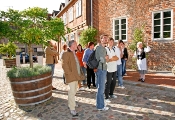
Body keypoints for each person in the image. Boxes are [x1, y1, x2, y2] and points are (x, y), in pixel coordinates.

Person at [62, 40, 85, 117]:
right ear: (72, 45)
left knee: (74, 90)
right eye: (75, 44)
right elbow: (64, 65)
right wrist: (69, 74)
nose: (77, 45)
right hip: (71, 76)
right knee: (72, 91)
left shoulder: (74, 53)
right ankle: (72, 108)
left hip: (76, 75)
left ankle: (72, 103)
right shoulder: (66, 53)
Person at [95, 34, 109, 111]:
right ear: (101, 40)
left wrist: (106, 58)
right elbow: (102, 60)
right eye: (104, 38)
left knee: (101, 88)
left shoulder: (104, 48)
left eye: (106, 38)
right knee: (101, 88)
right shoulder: (100, 48)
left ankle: (99, 104)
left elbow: (107, 60)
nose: (106, 39)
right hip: (101, 70)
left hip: (103, 69)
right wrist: (106, 58)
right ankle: (100, 106)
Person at [104, 37, 118, 103]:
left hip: (114, 68)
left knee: (114, 82)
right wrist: (111, 59)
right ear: (108, 42)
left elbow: (117, 57)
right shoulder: (105, 49)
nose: (111, 43)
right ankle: (106, 96)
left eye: (112, 42)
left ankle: (111, 93)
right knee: (108, 82)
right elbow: (106, 59)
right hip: (108, 68)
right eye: (110, 41)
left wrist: (111, 59)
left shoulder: (114, 49)